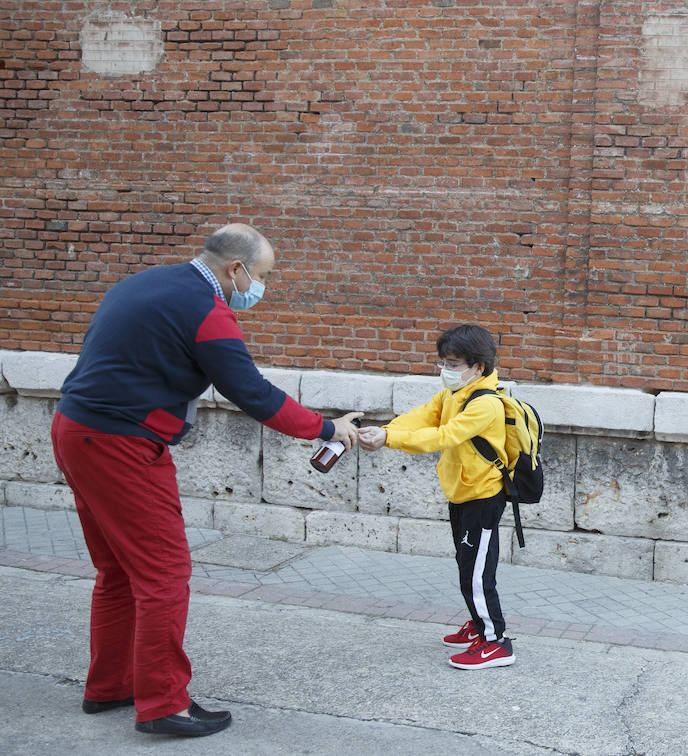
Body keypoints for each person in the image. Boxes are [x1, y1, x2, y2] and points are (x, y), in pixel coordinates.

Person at [50, 224, 361, 737]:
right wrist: (328, 428)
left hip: (75, 427)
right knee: (164, 574)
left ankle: (109, 687)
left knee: (118, 570)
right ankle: (163, 705)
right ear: (236, 269)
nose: (261, 287)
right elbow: (253, 394)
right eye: (262, 276)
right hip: (121, 443)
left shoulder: (143, 283)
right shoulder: (206, 312)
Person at [357, 324, 515, 669]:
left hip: (483, 498)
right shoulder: (452, 395)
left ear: (478, 367)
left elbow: (444, 436)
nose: (446, 370)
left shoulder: (486, 404)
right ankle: (478, 625)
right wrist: (386, 430)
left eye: (454, 363)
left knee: (476, 573)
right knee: (466, 565)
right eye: (443, 362)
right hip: (461, 494)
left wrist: (389, 441)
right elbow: (421, 417)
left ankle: (496, 642)